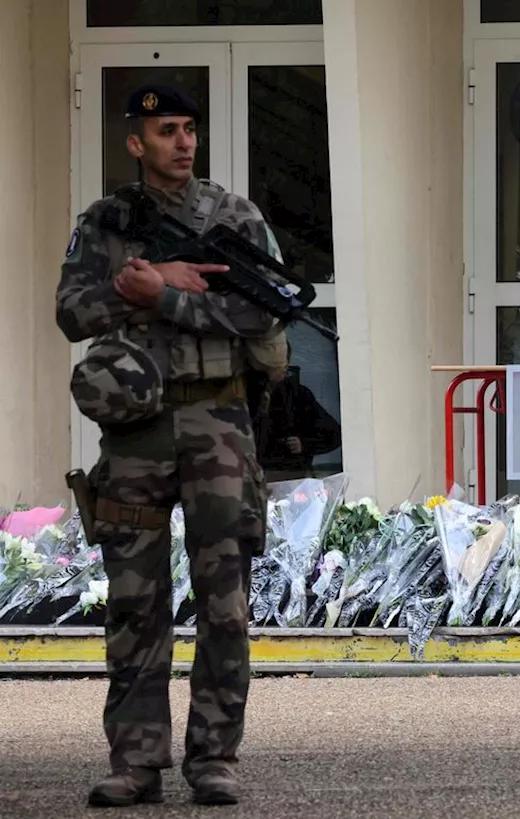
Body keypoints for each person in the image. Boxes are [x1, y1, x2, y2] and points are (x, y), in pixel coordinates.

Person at [55, 84, 289, 808]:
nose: (182, 142)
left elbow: (266, 305)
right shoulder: (106, 222)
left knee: (226, 604)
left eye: (189, 128)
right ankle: (136, 761)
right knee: (135, 600)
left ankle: (215, 757)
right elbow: (70, 311)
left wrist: (168, 297)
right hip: (135, 432)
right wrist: (138, 290)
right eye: (165, 131)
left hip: (220, 425)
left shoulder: (233, 217)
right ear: (136, 143)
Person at [254, 345, 342, 481]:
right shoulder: (250, 393)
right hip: (255, 474)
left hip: (292, 476)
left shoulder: (298, 395)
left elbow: (333, 434)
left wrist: (304, 444)